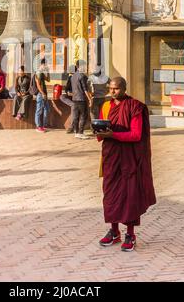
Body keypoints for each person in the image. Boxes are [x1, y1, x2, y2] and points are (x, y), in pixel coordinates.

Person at [95, 77, 156, 252]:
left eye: (116, 89)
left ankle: (130, 234)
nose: (112, 92)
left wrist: (113, 135)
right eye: (110, 88)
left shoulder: (135, 106)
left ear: (124, 88)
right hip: (111, 157)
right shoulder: (106, 107)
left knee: (129, 196)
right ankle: (114, 231)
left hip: (129, 159)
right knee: (110, 195)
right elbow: (101, 132)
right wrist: (100, 132)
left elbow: (136, 135)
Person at [71, 59, 92, 139]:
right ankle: (80, 132)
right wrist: (90, 99)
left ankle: (76, 132)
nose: (85, 67)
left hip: (74, 98)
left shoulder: (73, 76)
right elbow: (85, 89)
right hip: (81, 99)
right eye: (84, 66)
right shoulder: (82, 76)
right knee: (84, 115)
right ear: (81, 66)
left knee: (76, 116)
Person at [34, 58, 50, 133]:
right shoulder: (38, 72)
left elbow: (48, 80)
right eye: (46, 64)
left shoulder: (42, 73)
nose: (46, 66)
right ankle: (38, 126)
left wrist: (48, 71)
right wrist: (43, 93)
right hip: (41, 94)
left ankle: (43, 125)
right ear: (42, 64)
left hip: (44, 94)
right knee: (39, 110)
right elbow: (38, 85)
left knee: (47, 109)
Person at [60, 65, 76, 134]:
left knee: (74, 107)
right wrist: (68, 92)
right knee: (62, 96)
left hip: (78, 96)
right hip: (72, 95)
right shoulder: (70, 77)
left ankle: (72, 127)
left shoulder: (79, 77)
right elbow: (67, 88)